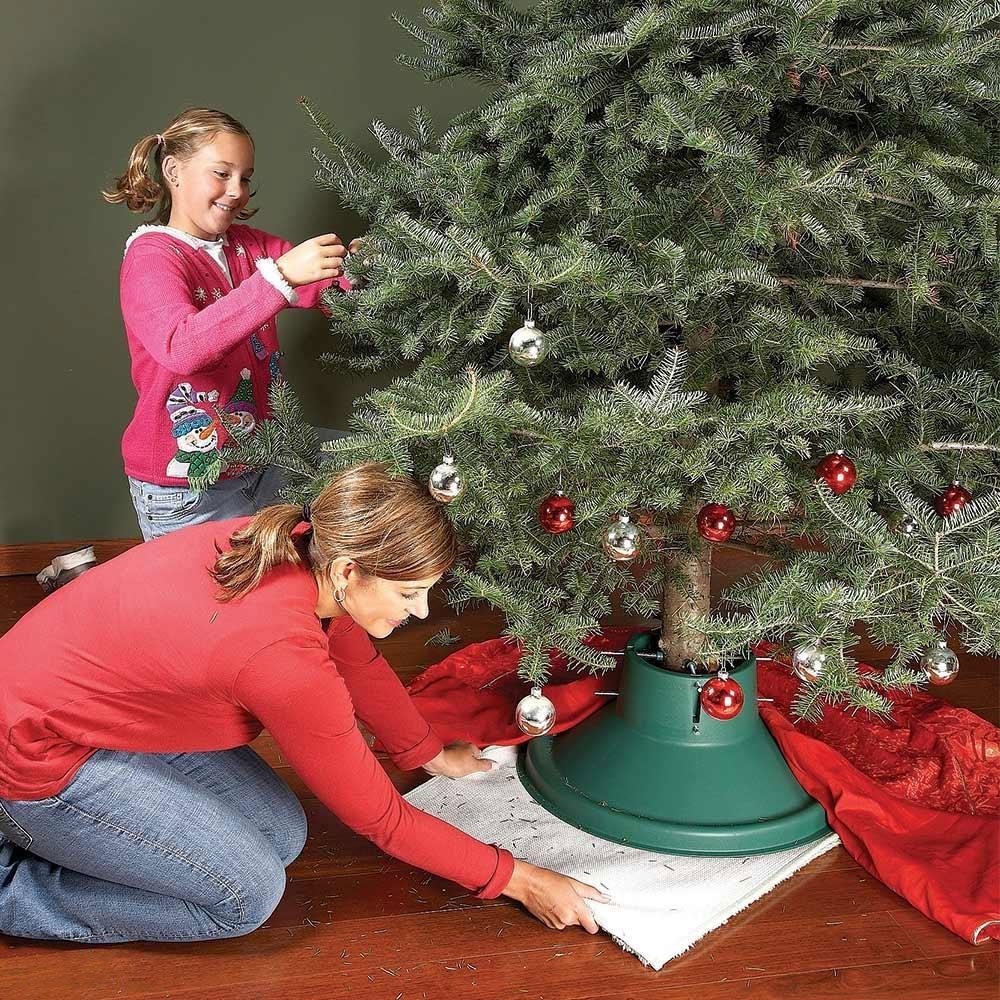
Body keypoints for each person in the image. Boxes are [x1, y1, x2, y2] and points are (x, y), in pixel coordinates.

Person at [0, 464, 609, 943]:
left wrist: (425, 753)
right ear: (349, 570)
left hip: (82, 708)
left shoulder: (296, 545)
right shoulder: (282, 661)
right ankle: (12, 887)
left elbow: (358, 658)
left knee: (283, 834)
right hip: (29, 755)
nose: (419, 612)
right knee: (244, 897)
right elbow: (382, 822)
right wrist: (520, 880)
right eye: (408, 593)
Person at [103, 107, 358, 540]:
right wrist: (278, 278)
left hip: (266, 460)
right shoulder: (152, 257)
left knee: (364, 467)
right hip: (189, 487)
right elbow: (182, 347)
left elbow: (327, 290)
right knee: (215, 605)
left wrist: (366, 270)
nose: (236, 191)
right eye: (221, 174)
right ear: (173, 171)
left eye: (245, 177)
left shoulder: (250, 247)